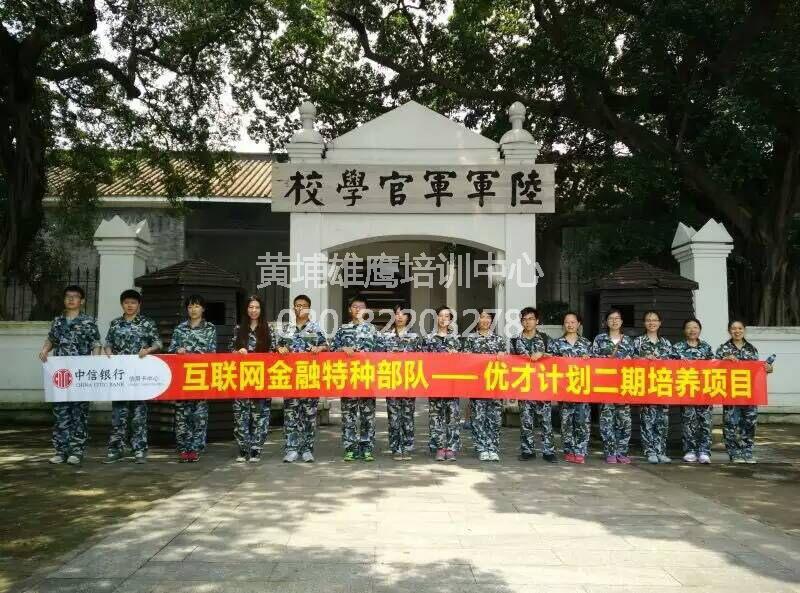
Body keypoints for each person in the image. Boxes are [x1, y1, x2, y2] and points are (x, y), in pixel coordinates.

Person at [39, 285, 102, 465]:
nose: (71, 299)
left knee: (79, 413)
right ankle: (60, 451)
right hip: (61, 374)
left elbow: (95, 343)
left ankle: (76, 451)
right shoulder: (58, 321)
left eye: (75, 297)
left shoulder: (88, 322)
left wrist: (95, 361)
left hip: (80, 375)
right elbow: (51, 339)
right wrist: (44, 350)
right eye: (68, 296)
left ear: (82, 301)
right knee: (61, 413)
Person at [103, 289, 162, 464]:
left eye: (133, 303)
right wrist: (108, 352)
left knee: (138, 415)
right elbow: (108, 343)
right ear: (122, 304)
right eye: (127, 302)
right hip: (120, 375)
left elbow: (158, 343)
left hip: (139, 374)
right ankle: (116, 449)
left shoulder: (147, 323)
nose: (130, 305)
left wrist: (148, 350)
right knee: (118, 414)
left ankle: (139, 450)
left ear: (139, 305)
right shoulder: (115, 323)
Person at [277, 294, 328, 463]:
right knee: (290, 416)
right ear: (293, 308)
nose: (300, 308)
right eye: (297, 305)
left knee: (309, 416)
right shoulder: (286, 329)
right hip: (290, 380)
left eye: (304, 305)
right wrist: (279, 349)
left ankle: (307, 449)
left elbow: (327, 347)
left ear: (309, 308)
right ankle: (291, 449)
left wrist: (319, 348)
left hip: (309, 379)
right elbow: (276, 347)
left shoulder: (316, 328)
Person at [716, 320, 774, 464]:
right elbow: (714, 369)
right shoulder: (723, 349)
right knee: (731, 424)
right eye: (733, 328)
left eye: (740, 328)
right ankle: (734, 453)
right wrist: (724, 361)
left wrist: (767, 369)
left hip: (749, 393)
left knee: (749, 422)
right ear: (729, 331)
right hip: (731, 393)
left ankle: (747, 452)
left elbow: (756, 372)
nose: (737, 331)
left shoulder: (752, 349)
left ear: (744, 330)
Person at [168, 294, 217, 462]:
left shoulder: (210, 328)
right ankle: (183, 449)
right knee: (182, 415)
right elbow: (171, 350)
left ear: (203, 309)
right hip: (182, 379)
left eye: (196, 306)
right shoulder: (179, 329)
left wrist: (194, 354)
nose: (193, 310)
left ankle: (196, 449)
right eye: (190, 307)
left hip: (201, 377)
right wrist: (177, 351)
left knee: (199, 415)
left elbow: (212, 352)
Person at [332, 295, 380, 461]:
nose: (358, 309)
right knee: (348, 416)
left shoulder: (373, 330)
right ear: (349, 309)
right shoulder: (343, 329)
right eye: (354, 306)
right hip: (348, 379)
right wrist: (342, 349)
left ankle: (367, 448)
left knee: (368, 416)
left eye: (361, 307)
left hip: (366, 379)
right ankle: (350, 448)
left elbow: (381, 352)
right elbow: (332, 350)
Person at [510, 307, 556, 463]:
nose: (527, 322)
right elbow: (511, 365)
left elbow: (557, 359)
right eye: (524, 319)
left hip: (543, 386)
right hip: (524, 386)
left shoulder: (545, 339)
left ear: (537, 321)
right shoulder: (515, 340)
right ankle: (527, 450)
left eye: (530, 319)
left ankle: (549, 451)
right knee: (526, 421)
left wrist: (543, 354)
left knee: (546, 421)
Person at [230, 295, 272, 463]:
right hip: (241, 379)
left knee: (260, 416)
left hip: (261, 379)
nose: (254, 310)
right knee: (240, 416)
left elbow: (274, 352)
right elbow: (230, 351)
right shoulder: (238, 329)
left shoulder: (268, 329)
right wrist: (237, 352)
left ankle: (256, 449)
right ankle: (242, 449)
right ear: (246, 309)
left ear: (261, 310)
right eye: (251, 307)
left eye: (257, 307)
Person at [546, 312, 592, 464]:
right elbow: (549, 364)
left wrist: (588, 360)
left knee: (582, 421)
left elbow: (595, 367)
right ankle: (568, 450)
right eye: (567, 322)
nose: (570, 325)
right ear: (563, 325)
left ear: (579, 324)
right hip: (564, 390)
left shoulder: (587, 344)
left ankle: (580, 451)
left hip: (582, 389)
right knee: (566, 422)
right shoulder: (556, 344)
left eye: (573, 322)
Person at [592, 308, 635, 464]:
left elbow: (637, 362)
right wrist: (606, 358)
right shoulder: (600, 339)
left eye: (617, 318)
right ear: (606, 322)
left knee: (624, 421)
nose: (614, 321)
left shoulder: (629, 340)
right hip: (606, 386)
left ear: (621, 321)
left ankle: (622, 452)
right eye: (611, 318)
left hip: (624, 386)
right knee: (607, 421)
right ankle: (610, 452)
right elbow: (593, 359)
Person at [464, 308, 507, 462]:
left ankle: (493, 448)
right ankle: (482, 448)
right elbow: (465, 360)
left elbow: (506, 361)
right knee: (478, 417)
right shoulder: (471, 339)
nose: (485, 320)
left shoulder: (499, 340)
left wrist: (502, 356)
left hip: (495, 385)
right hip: (477, 385)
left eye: (488, 317)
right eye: (482, 317)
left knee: (494, 418)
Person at [420, 306, 462, 461]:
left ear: (450, 320)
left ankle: (451, 448)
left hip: (452, 385)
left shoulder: (456, 339)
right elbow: (422, 360)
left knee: (453, 417)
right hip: (435, 385)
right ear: (436, 318)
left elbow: (465, 362)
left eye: (447, 316)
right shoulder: (428, 338)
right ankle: (439, 447)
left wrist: (457, 355)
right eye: (441, 315)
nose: (443, 319)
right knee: (435, 417)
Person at [633, 310, 674, 464]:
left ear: (659, 323)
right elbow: (630, 361)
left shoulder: (666, 343)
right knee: (647, 420)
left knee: (662, 420)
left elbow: (673, 364)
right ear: (644, 323)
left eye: (655, 320)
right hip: (646, 386)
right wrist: (643, 359)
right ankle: (649, 451)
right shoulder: (638, 342)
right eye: (648, 320)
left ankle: (661, 451)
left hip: (663, 386)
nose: (652, 322)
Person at [380, 303, 420, 460]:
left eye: (403, 314)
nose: (400, 317)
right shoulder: (385, 336)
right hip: (391, 382)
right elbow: (378, 358)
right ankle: (396, 448)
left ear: (408, 317)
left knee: (408, 416)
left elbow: (423, 359)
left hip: (409, 382)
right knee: (394, 417)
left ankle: (407, 447)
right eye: (397, 314)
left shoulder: (415, 337)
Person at [674, 318, 715, 464]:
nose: (692, 330)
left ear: (700, 329)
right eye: (689, 327)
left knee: (705, 422)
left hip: (704, 391)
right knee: (688, 421)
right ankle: (690, 450)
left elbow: (714, 367)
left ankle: (704, 451)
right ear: (684, 330)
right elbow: (668, 368)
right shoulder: (677, 348)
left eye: (695, 327)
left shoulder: (706, 347)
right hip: (686, 390)